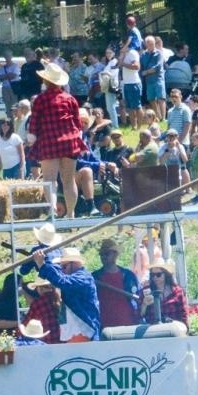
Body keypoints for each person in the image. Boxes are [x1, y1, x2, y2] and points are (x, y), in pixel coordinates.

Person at [27, 64, 86, 217]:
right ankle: (71, 214)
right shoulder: (70, 99)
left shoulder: (40, 100)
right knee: (68, 181)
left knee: (50, 181)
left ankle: (53, 210)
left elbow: (34, 123)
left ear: (45, 81)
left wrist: (32, 137)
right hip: (69, 142)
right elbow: (78, 125)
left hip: (49, 142)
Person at [30, 244, 100, 340]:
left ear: (75, 263)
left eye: (64, 266)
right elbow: (59, 277)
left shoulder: (84, 278)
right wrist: (44, 265)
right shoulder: (75, 277)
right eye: (61, 267)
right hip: (75, 333)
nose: (62, 270)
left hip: (85, 331)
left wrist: (42, 265)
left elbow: (62, 281)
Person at [94, 239, 141, 329]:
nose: (103, 256)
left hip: (128, 324)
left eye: (107, 253)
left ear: (115, 254)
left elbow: (138, 297)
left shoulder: (128, 276)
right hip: (105, 327)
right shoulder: (95, 277)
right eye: (101, 254)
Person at [139, 261, 186, 325]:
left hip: (173, 330)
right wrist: (144, 304)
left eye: (158, 274)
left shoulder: (177, 292)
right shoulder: (146, 291)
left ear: (166, 274)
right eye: (152, 275)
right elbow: (139, 315)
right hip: (153, 331)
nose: (155, 277)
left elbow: (184, 315)